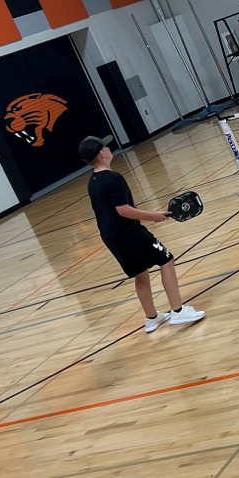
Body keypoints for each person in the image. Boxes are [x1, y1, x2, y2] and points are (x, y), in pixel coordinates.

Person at [78, 135, 205, 332]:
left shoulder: (92, 181)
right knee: (167, 260)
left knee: (140, 273)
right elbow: (123, 210)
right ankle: (178, 312)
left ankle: (152, 318)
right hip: (129, 232)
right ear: (102, 153)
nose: (109, 148)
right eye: (106, 147)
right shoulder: (114, 178)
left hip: (111, 237)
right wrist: (153, 216)